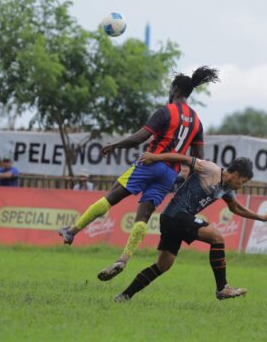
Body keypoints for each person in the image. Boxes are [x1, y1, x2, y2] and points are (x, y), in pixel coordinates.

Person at [58, 66, 218, 282]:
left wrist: (115, 144)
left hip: (150, 163)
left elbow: (139, 137)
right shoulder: (197, 121)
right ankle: (124, 258)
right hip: (169, 174)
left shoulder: (166, 111)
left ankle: (72, 230)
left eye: (171, 87)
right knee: (143, 216)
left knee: (112, 196)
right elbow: (198, 157)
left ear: (175, 89)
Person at [113, 152, 267, 302]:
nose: (240, 186)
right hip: (176, 214)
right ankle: (223, 288)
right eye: (242, 182)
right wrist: (155, 157)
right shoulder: (210, 169)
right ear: (236, 174)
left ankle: (124, 296)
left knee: (163, 265)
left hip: (171, 219)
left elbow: (235, 208)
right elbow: (184, 159)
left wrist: (261, 217)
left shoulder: (227, 189)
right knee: (217, 237)